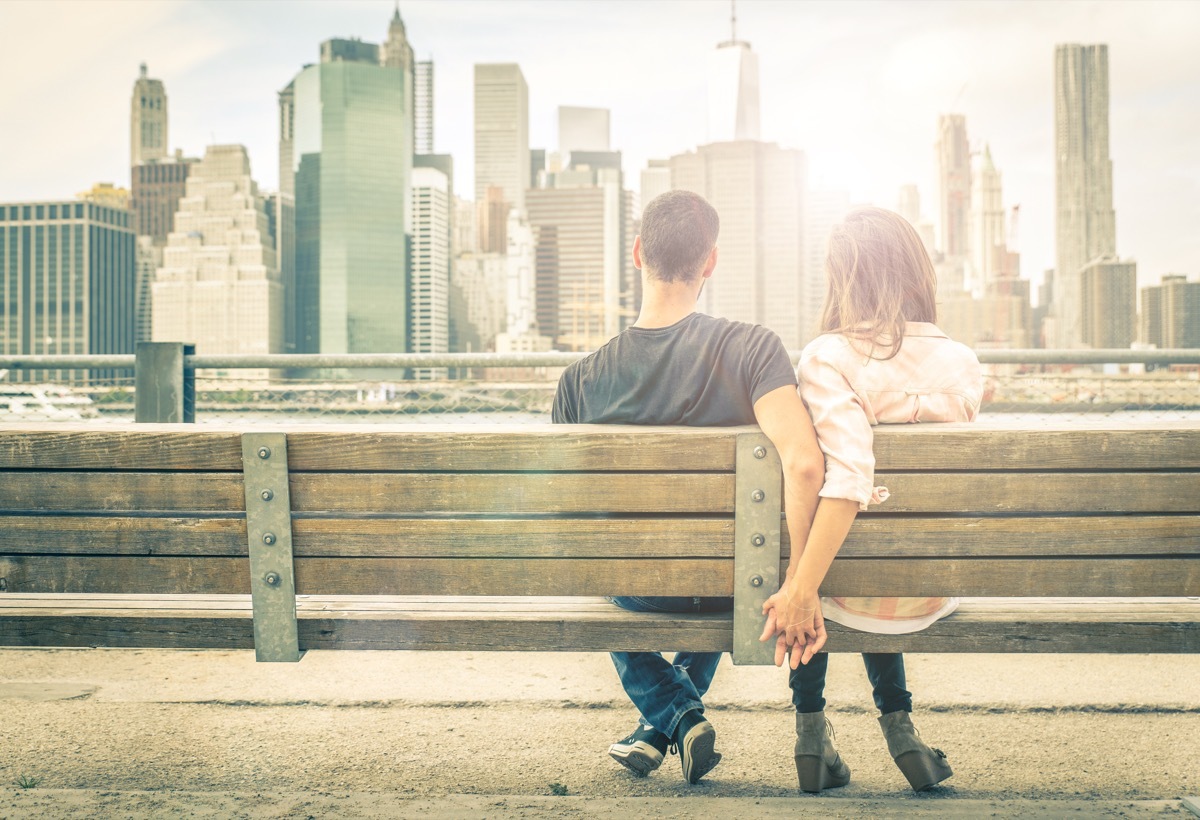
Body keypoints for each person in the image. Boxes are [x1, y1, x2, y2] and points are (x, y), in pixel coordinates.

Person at [552, 190, 824, 785]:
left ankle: (672, 718)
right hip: (733, 584)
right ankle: (670, 720)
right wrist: (801, 583)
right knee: (719, 563)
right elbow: (805, 465)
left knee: (612, 573)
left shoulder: (578, 382)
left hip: (638, 590)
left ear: (637, 253)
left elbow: (571, 522)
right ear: (711, 261)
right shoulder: (753, 348)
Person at [759, 205, 983, 793]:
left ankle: (811, 733)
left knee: (824, 567)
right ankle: (901, 728)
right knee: (872, 559)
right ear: (917, 274)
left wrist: (799, 586)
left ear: (841, 278)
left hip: (845, 585)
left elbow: (850, 477)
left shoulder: (828, 357)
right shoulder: (962, 363)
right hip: (927, 586)